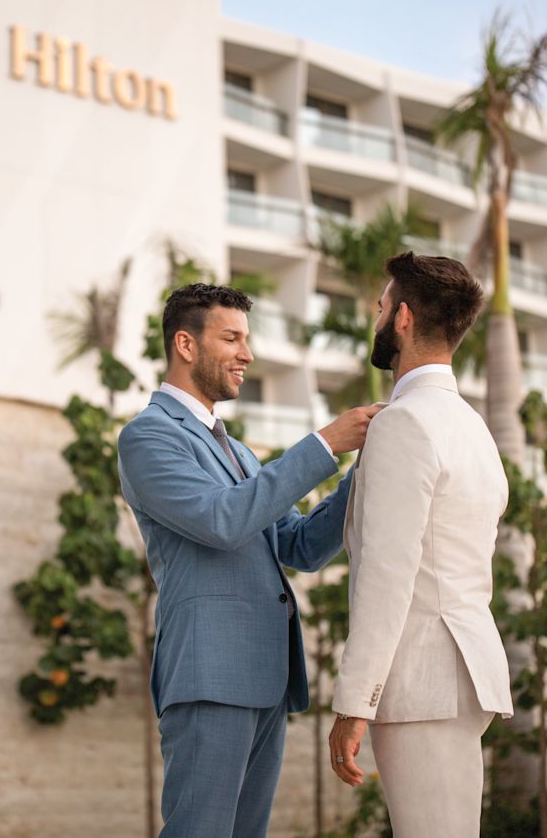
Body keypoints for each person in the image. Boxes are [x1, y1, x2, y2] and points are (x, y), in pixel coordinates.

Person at [118, 283, 380, 838]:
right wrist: (324, 444)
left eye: (246, 339)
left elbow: (300, 546)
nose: (248, 354)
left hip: (265, 677)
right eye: (232, 338)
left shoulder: (237, 451)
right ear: (186, 344)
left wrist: (367, 468)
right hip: (209, 675)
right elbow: (222, 520)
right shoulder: (148, 437)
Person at [328, 252, 513, 838]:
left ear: (403, 318)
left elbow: (387, 574)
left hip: (421, 682)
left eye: (382, 306)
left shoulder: (403, 422)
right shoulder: (473, 427)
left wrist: (354, 702)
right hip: (464, 673)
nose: (377, 316)